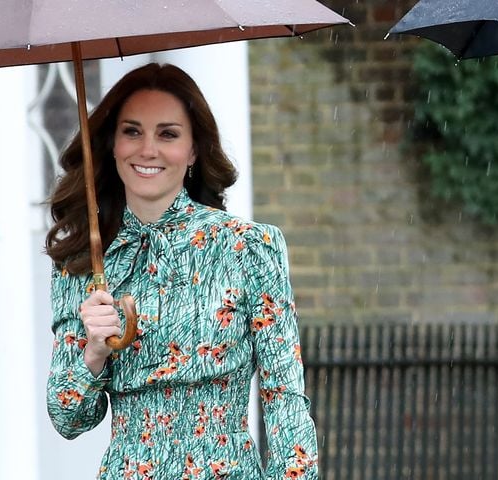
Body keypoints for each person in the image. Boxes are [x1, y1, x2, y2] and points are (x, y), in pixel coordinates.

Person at [45, 63, 318, 479]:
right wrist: (95, 352)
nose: (147, 150)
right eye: (132, 131)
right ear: (112, 144)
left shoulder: (249, 248)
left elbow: (284, 397)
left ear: (193, 150)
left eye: (167, 134)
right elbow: (69, 420)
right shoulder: (82, 262)